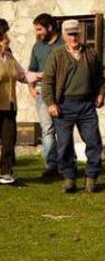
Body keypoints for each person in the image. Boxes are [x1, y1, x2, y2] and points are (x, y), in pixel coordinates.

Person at [42, 19, 105, 194]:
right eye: (69, 34)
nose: (73, 37)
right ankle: (69, 178)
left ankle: (91, 177)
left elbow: (101, 78)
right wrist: (51, 103)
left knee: (93, 141)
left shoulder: (91, 54)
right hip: (64, 105)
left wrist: (101, 94)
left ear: (81, 33)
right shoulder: (56, 55)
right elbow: (47, 82)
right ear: (63, 35)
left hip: (86, 104)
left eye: (75, 33)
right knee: (64, 144)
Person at [27, 13, 63, 177]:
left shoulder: (63, 44)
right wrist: (31, 87)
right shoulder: (37, 46)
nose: (38, 33)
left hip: (63, 92)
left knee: (63, 129)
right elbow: (32, 70)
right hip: (42, 92)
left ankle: (66, 164)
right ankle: (51, 166)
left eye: (40, 29)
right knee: (47, 130)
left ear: (50, 27)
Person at [0, 26, 29, 184]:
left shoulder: (9, 57)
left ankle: (6, 173)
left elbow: (22, 75)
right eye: (5, 37)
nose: (8, 40)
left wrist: (43, 75)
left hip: (9, 106)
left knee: (9, 140)